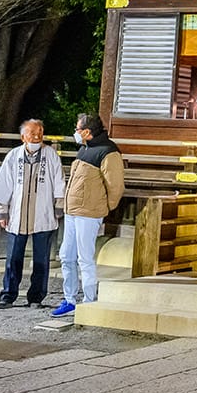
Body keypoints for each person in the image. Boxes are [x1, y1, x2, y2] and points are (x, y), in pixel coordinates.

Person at [51, 113, 124, 318]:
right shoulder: (85, 149)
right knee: (66, 255)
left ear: (87, 131)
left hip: (90, 212)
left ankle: (89, 300)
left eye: (77, 129)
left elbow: (115, 186)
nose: (75, 132)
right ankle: (70, 299)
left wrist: (105, 207)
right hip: (73, 210)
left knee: (85, 257)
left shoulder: (108, 152)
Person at [0, 119, 63, 308]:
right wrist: (1, 212)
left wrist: (58, 206)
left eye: (39, 132)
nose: (36, 136)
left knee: (41, 259)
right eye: (32, 132)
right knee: (13, 258)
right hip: (17, 215)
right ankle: (8, 295)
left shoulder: (51, 155)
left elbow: (59, 182)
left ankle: (36, 297)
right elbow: (4, 185)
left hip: (43, 214)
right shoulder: (14, 156)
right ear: (23, 137)